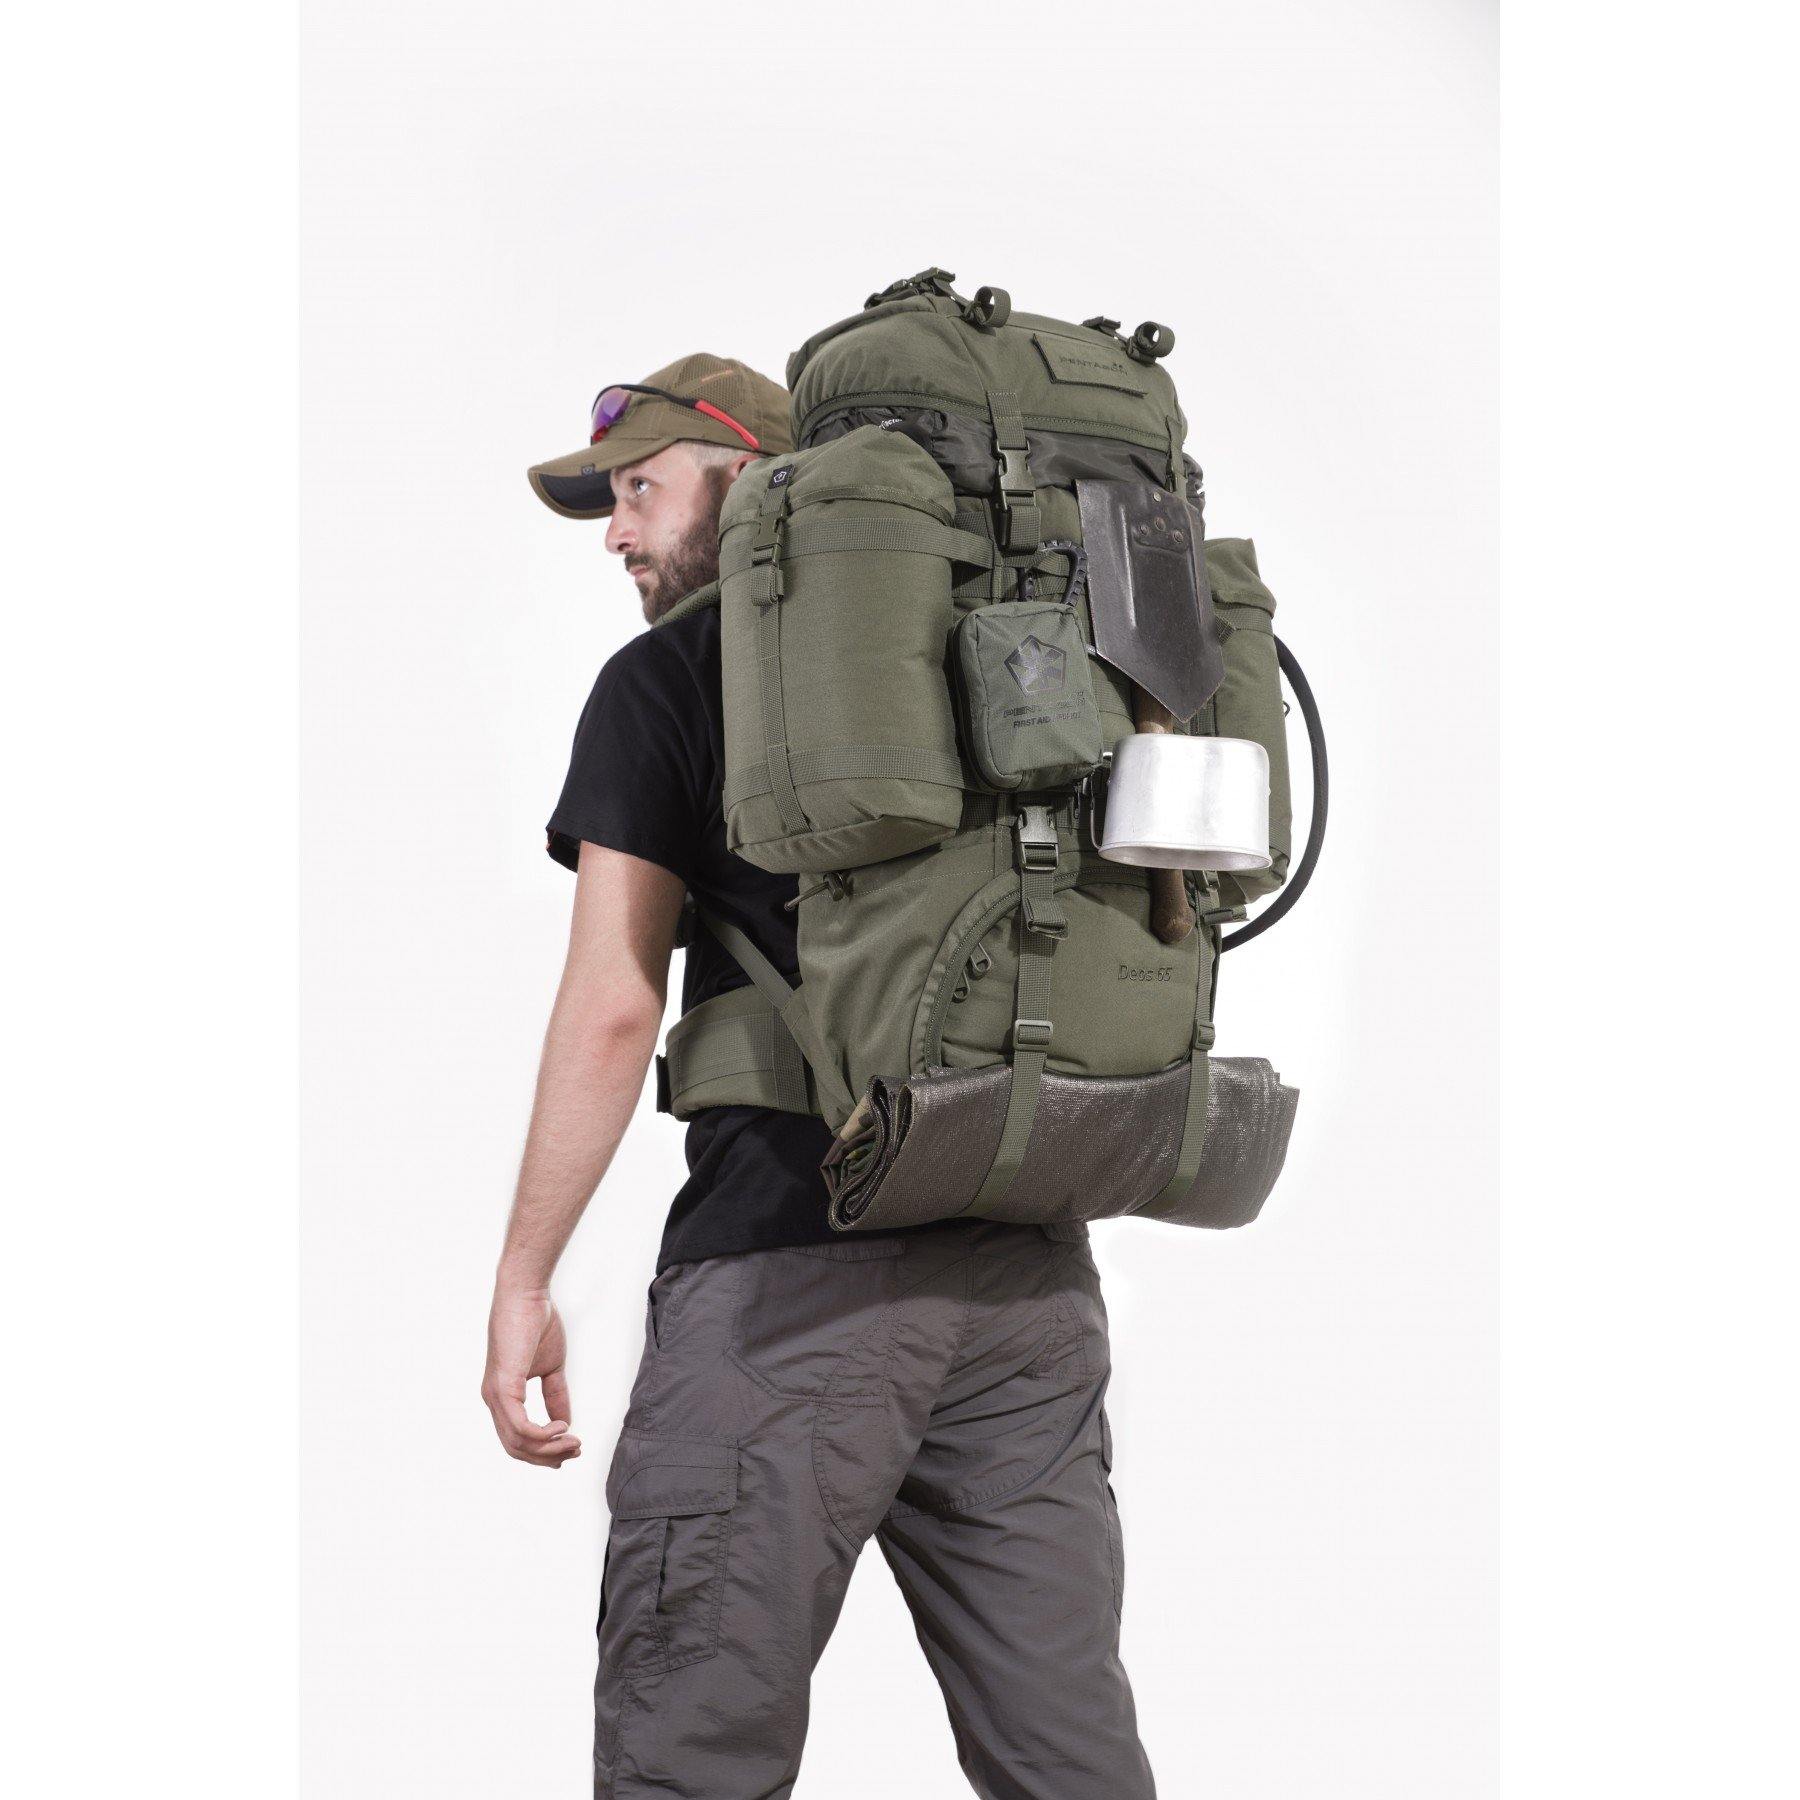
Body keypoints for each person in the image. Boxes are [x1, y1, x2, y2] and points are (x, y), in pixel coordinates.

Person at [485, 352, 1158, 1798]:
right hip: (1025, 1274)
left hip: (791, 1289)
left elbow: (612, 1007)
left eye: (641, 489)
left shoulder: (667, 680)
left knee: (689, 1751)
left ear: (749, 480)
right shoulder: (1021, 654)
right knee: (1069, 1758)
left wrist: (525, 1277)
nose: (617, 531)